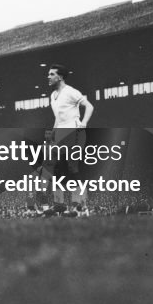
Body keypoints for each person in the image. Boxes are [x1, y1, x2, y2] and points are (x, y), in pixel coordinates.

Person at [42, 64, 94, 217]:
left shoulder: (71, 92)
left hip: (74, 131)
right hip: (61, 133)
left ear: (60, 77)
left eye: (52, 74)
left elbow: (89, 106)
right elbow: (58, 118)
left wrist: (84, 123)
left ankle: (79, 206)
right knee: (54, 166)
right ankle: (58, 205)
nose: (48, 77)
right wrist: (52, 135)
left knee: (72, 168)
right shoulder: (53, 95)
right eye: (48, 74)